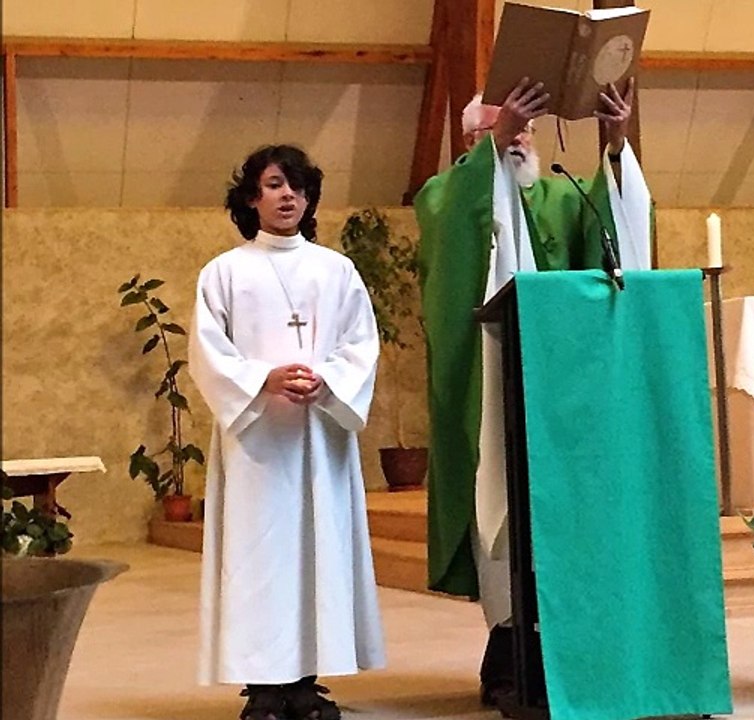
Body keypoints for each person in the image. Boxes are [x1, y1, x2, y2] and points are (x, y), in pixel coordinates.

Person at [413, 77, 652, 708]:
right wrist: (490, 154)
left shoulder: (562, 195)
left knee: (562, 514)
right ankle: (508, 646)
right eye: (502, 126)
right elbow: (455, 227)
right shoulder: (444, 193)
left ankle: (564, 645)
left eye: (524, 126)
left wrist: (617, 141)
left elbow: (612, 237)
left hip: (565, 390)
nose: (517, 137)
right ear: (473, 138)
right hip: (491, 384)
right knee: (503, 507)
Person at [190, 144, 386, 720]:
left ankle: (305, 681)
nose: (287, 196)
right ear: (252, 197)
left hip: (319, 436)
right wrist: (262, 379)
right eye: (274, 185)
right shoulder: (225, 272)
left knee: (318, 552)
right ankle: (262, 686)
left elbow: (361, 344)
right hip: (256, 444)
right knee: (259, 557)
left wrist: (325, 381)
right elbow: (209, 351)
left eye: (297, 186)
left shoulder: (336, 270)